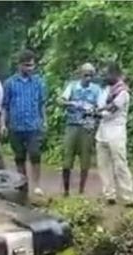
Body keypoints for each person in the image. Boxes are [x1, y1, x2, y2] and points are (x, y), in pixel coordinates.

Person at [2, 49, 47, 196]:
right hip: (16, 125)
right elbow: (5, 106)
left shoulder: (38, 82)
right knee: (19, 157)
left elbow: (42, 104)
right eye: (27, 65)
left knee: (35, 154)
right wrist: (3, 124)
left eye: (32, 65)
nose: (29, 68)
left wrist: (44, 121)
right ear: (20, 65)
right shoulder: (10, 83)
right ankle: (23, 185)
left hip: (33, 125)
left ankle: (37, 185)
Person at [58, 63, 103, 196]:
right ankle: (66, 190)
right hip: (72, 125)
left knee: (85, 159)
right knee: (67, 157)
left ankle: (81, 190)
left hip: (87, 127)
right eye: (86, 75)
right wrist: (72, 103)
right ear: (80, 75)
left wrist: (92, 111)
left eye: (91, 75)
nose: (88, 78)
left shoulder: (96, 89)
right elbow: (60, 101)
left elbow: (100, 107)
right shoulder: (72, 86)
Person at [95, 62, 133, 205]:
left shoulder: (122, 92)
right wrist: (97, 112)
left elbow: (111, 109)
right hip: (102, 131)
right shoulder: (105, 90)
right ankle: (109, 195)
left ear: (115, 74)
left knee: (120, 165)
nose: (104, 76)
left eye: (106, 74)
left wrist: (96, 113)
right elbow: (99, 107)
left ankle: (128, 197)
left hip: (116, 131)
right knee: (103, 165)